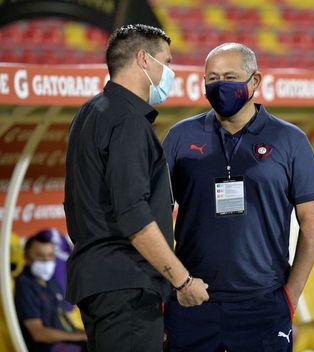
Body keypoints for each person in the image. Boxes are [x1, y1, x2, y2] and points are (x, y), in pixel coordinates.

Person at [162, 43, 314, 352]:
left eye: (229, 76)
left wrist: (290, 296)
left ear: (255, 81)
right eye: (211, 78)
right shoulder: (180, 137)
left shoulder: (290, 140)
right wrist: (175, 283)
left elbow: (313, 221)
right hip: (193, 300)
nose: (219, 85)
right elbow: (154, 218)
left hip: (263, 305)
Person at [64, 24, 209, 352]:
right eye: (167, 62)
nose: (170, 72)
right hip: (126, 285)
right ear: (144, 59)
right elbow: (133, 215)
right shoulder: (128, 122)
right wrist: (182, 281)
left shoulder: (89, 113)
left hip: (99, 282)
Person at [14, 232, 87, 352]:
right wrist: (80, 337)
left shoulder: (51, 283)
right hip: (46, 347)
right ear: (26, 258)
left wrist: (88, 335)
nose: (46, 261)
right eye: (40, 256)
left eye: (50, 256)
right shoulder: (24, 285)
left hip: (64, 342)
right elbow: (38, 333)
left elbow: (65, 323)